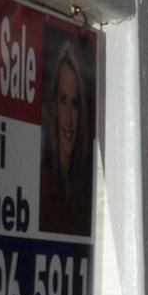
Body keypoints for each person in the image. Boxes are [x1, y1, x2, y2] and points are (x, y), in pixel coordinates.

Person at [38, 32, 95, 236]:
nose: (69, 120)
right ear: (53, 104)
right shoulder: (42, 186)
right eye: (63, 101)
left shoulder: (87, 190)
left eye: (75, 104)